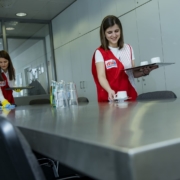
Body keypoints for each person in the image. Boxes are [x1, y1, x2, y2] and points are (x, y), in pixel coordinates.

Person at [92, 15, 158, 102]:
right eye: (109, 32)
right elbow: (101, 76)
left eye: (116, 31)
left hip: (130, 95)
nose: (114, 35)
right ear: (104, 33)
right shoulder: (100, 52)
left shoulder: (128, 48)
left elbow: (132, 73)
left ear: (121, 31)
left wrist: (144, 72)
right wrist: (109, 90)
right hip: (111, 97)